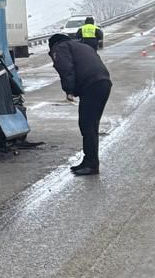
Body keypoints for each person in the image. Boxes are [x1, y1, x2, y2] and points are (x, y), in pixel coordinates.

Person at [48, 33, 113, 175]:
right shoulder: (81, 46)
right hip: (103, 83)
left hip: (92, 85)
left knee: (87, 125)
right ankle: (89, 160)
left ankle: (91, 164)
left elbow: (65, 68)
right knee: (90, 125)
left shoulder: (60, 47)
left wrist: (69, 90)